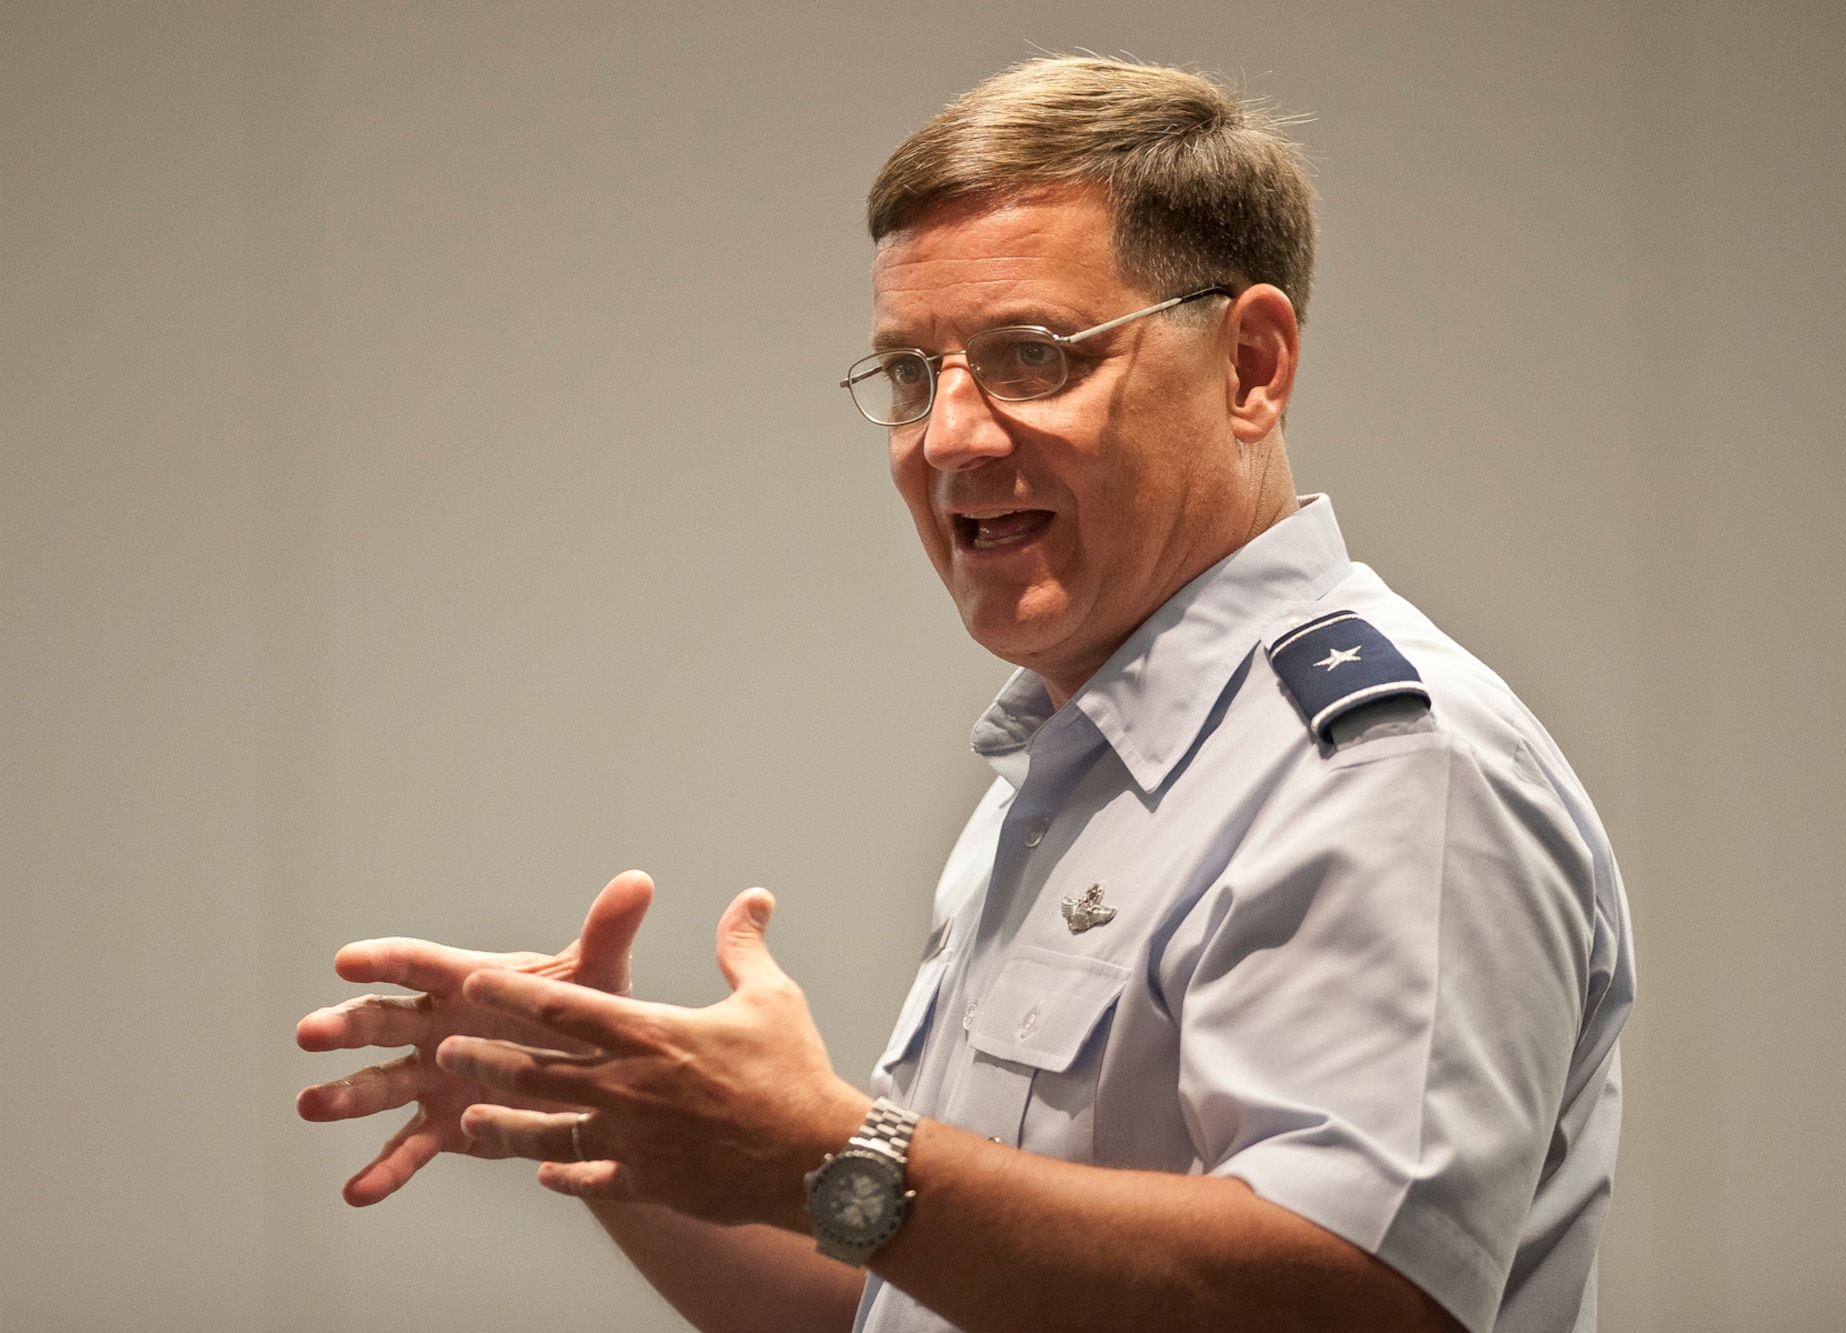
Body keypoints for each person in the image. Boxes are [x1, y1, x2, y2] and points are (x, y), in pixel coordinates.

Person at [296, 56, 1634, 1333]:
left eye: (1034, 354)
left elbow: (1355, 1299)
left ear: (1251, 366)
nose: (947, 438)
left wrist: (825, 1147)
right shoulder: (1075, 773)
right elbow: (907, 1295)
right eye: (908, 374)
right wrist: (629, 1118)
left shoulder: (1384, 764)